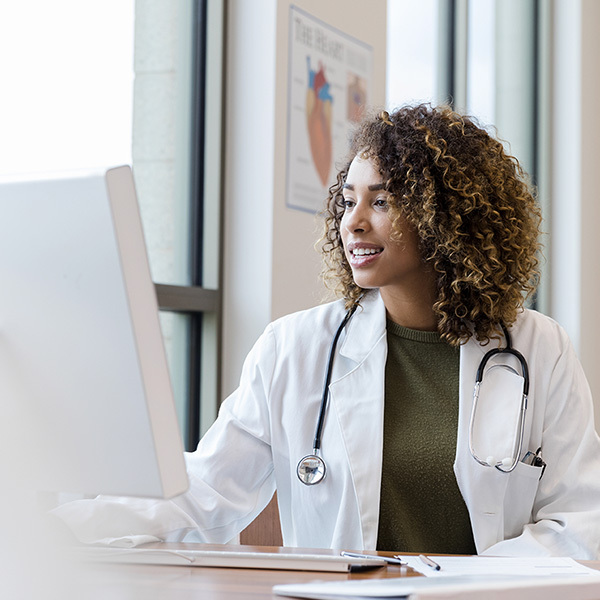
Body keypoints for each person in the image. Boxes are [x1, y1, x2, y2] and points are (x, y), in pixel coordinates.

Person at [55, 104, 600, 558]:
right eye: (348, 200)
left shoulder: (538, 350)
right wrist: (64, 525)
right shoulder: (293, 349)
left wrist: (458, 584)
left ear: (447, 217)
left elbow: (579, 522)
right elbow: (203, 493)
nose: (352, 221)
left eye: (381, 201)